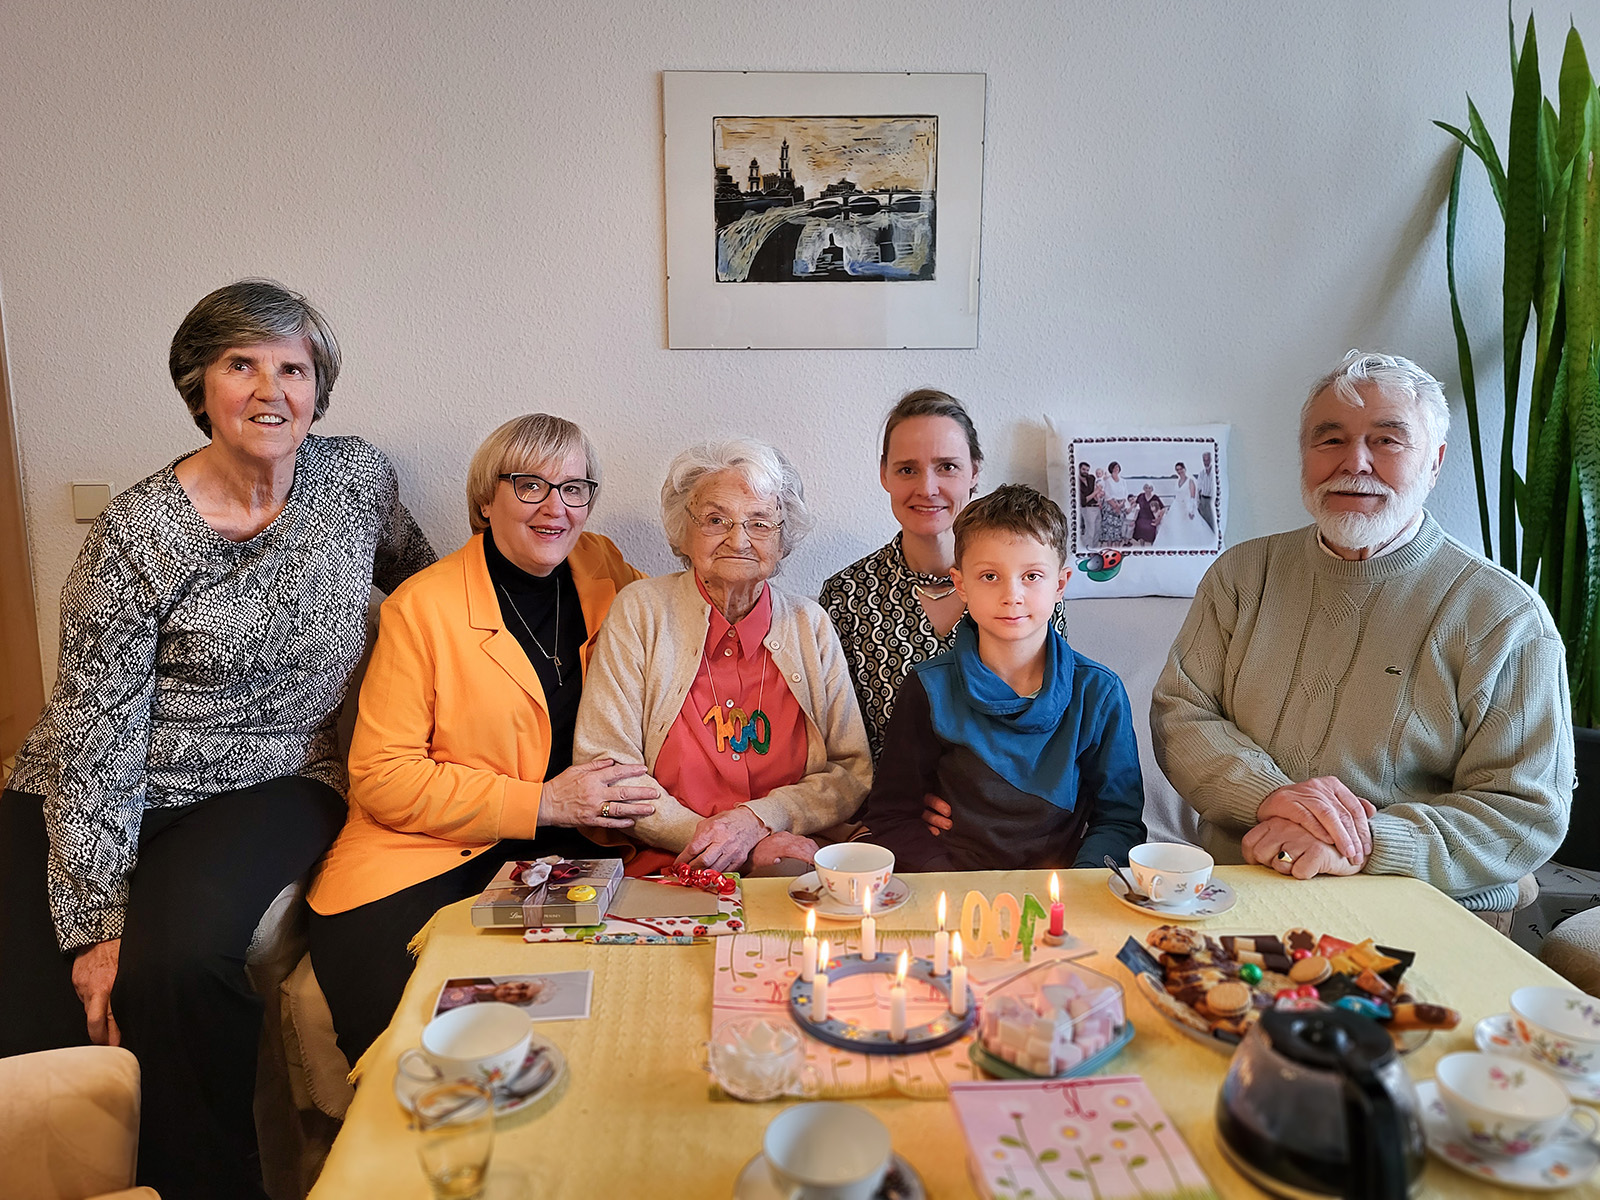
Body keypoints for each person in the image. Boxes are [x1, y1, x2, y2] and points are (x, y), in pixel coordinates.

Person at [0, 279, 435, 1199]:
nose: (270, 388)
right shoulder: (137, 532)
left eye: (293, 367)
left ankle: (201, 1184)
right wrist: (92, 923)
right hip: (98, 775)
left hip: (275, 775)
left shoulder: (356, 481)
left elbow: (428, 587)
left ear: (320, 389)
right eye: (242, 364)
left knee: (179, 964)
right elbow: (93, 726)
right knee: (34, 994)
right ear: (199, 386)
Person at [1150, 350, 1573, 930]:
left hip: (1425, 915)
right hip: (1235, 892)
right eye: (1330, 440)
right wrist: (1273, 797)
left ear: (1435, 462)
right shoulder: (1243, 575)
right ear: (1304, 455)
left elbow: (1524, 812)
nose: (1355, 462)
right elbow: (1181, 714)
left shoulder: (1504, 615)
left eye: (1387, 441)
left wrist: (1361, 845)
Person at [307, 415, 655, 1063]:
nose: (556, 507)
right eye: (530, 485)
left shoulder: (603, 566)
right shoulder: (423, 608)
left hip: (572, 847)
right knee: (421, 1054)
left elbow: (671, 645)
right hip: (428, 852)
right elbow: (384, 777)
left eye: (576, 488)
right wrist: (544, 802)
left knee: (601, 1036)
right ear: (485, 499)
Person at [575, 438, 871, 875]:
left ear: (782, 536)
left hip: (799, 856)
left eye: (759, 522)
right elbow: (608, 770)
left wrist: (758, 822)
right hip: (672, 861)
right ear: (684, 531)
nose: (739, 539)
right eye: (716, 519)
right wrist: (724, 845)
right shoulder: (641, 612)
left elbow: (851, 771)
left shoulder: (810, 625)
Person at [863, 485, 1147, 871]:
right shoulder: (929, 689)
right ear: (961, 585)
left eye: (1032, 575)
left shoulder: (1099, 693)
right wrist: (946, 882)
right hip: (955, 894)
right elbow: (892, 815)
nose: (1012, 595)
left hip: (1063, 898)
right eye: (990, 576)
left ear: (1060, 584)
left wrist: (1078, 890)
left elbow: (1119, 821)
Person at [819, 389, 1066, 761]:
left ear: (974, 471)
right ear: (884, 473)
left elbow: (1054, 724)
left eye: (947, 466)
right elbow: (839, 747)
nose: (927, 488)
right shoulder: (845, 597)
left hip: (1010, 806)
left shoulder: (1029, 586)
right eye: (907, 469)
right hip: (889, 808)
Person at [1154, 461, 1211, 548]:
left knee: (1188, 528)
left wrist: (1191, 510)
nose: (1179, 471)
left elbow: (1192, 496)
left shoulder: (1190, 481)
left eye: (1181, 469)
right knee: (1172, 527)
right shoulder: (1177, 481)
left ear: (1184, 469)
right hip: (1176, 506)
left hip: (1187, 507)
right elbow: (1177, 495)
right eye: (1177, 470)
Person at [1098, 461, 1130, 546]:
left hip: (1121, 506)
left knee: (1119, 530)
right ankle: (1109, 548)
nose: (1116, 469)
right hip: (1110, 506)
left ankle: (1118, 550)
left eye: (1117, 467)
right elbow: (1107, 495)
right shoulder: (1107, 481)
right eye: (1114, 467)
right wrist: (1115, 506)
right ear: (1111, 469)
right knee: (1110, 530)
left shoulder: (1123, 481)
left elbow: (1125, 494)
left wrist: (1122, 504)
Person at [1078, 459, 1101, 548]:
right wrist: (1095, 492)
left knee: (1097, 531)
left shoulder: (1091, 478)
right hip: (1087, 508)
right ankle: (1087, 551)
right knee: (1090, 532)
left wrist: (1098, 495)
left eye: (1087, 470)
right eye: (1083, 469)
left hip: (1096, 507)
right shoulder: (1076, 483)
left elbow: (1097, 487)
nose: (1085, 472)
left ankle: (1094, 550)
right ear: (1079, 469)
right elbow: (1083, 501)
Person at [1196, 450, 1216, 531]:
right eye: (1204, 460)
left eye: (1207, 460)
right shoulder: (1201, 473)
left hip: (1212, 500)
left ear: (1211, 460)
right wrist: (1198, 502)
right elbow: (1199, 488)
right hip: (1203, 500)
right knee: (1203, 523)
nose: (1206, 462)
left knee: (1212, 523)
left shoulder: (1215, 473)